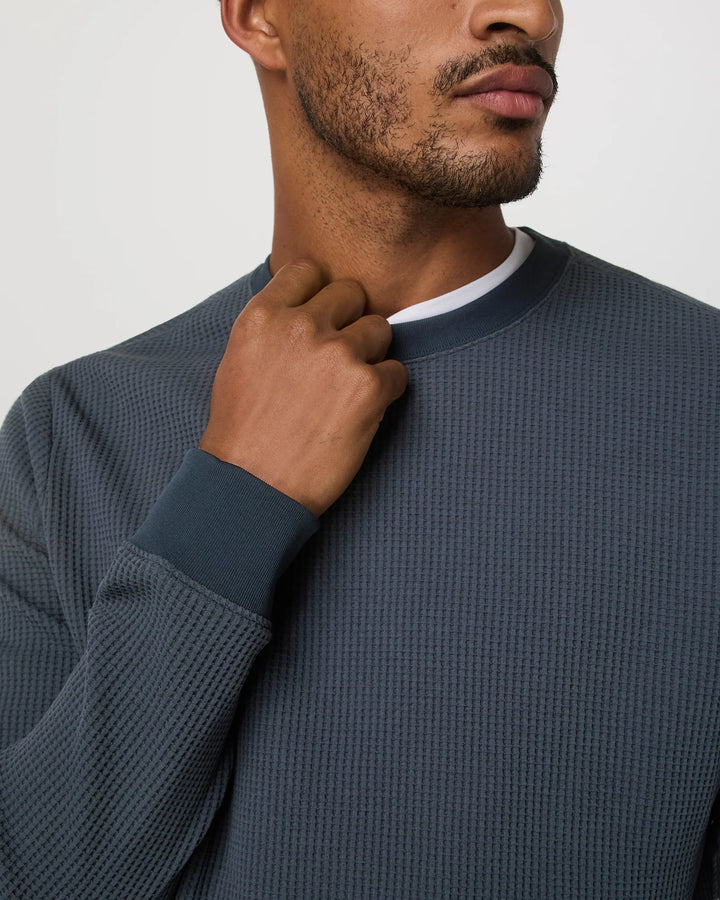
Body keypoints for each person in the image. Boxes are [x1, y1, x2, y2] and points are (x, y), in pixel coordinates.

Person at [1, 0, 719, 896]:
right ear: (259, 17)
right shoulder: (74, 433)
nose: (529, 13)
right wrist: (235, 499)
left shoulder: (703, 401)